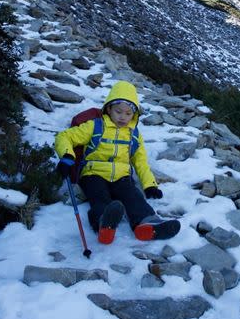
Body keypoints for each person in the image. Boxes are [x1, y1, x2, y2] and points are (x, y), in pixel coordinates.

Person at [54, 80, 180, 244]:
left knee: (133, 196)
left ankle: (148, 225)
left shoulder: (133, 134)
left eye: (128, 114)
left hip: (122, 177)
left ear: (134, 114)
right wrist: (67, 156)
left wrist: (150, 185)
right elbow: (65, 136)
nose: (123, 117)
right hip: (93, 174)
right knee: (99, 198)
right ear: (109, 108)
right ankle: (103, 225)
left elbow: (140, 161)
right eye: (119, 112)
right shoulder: (95, 126)